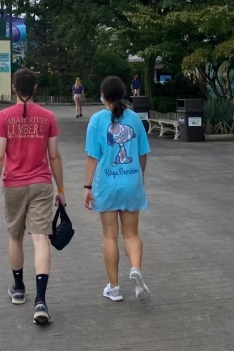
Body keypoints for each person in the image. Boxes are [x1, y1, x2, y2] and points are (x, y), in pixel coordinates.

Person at [0, 68, 64, 326]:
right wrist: (61, 190)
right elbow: (54, 155)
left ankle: (18, 288)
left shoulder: (3, 117)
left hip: (14, 185)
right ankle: (40, 301)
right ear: (35, 87)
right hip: (42, 184)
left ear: (13, 87)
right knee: (40, 239)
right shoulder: (48, 116)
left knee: (15, 236)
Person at [83, 75, 151, 303]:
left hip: (107, 184)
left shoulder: (96, 120)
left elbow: (93, 157)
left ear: (103, 96)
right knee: (131, 234)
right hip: (132, 181)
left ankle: (114, 288)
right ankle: (135, 267)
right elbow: (143, 154)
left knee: (109, 236)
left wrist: (87, 186)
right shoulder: (135, 119)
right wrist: (140, 176)